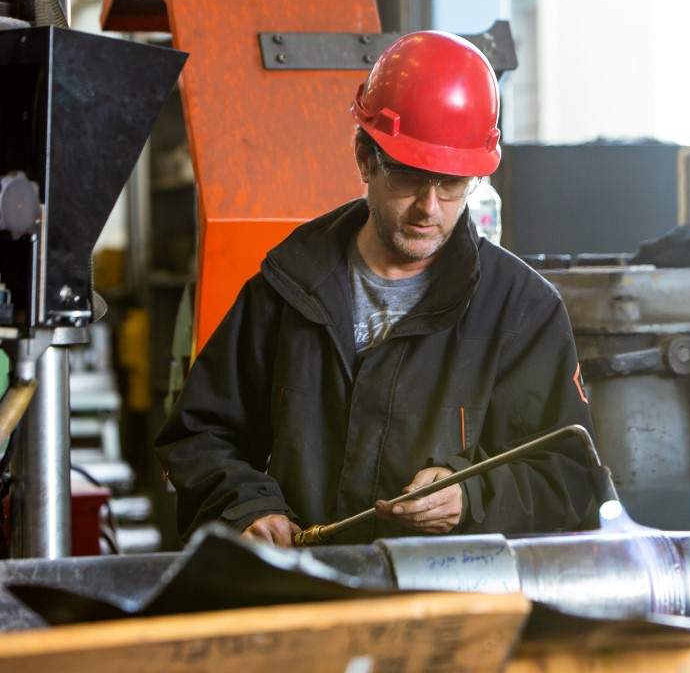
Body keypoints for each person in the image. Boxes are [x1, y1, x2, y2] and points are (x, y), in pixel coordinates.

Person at [155, 30, 597, 547]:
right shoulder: (287, 287)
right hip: (305, 591)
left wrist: (471, 498)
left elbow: (566, 475)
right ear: (367, 158)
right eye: (409, 177)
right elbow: (201, 434)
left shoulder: (521, 311)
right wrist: (246, 507)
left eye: (452, 184)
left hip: (443, 608)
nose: (428, 208)